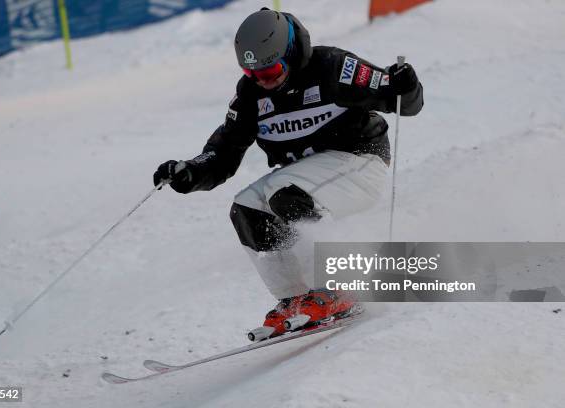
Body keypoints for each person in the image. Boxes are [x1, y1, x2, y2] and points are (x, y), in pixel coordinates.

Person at [154, 8, 423, 338]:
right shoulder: (251, 94)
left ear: (291, 52)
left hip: (361, 164)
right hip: (309, 176)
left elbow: (402, 102)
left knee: (285, 192)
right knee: (247, 208)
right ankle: (295, 299)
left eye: (271, 70)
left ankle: (338, 288)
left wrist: (404, 86)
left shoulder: (332, 68)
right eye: (253, 74)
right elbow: (224, 152)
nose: (264, 80)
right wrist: (191, 172)